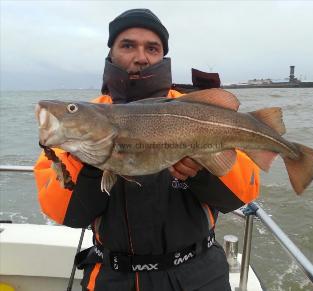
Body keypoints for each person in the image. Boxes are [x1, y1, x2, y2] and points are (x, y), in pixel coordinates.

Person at [34, 8, 260, 291]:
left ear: (162, 57)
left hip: (199, 274)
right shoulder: (83, 120)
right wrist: (91, 156)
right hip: (114, 277)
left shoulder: (196, 110)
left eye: (152, 48)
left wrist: (202, 171)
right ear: (111, 54)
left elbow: (244, 193)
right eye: (128, 45)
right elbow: (62, 212)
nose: (141, 57)